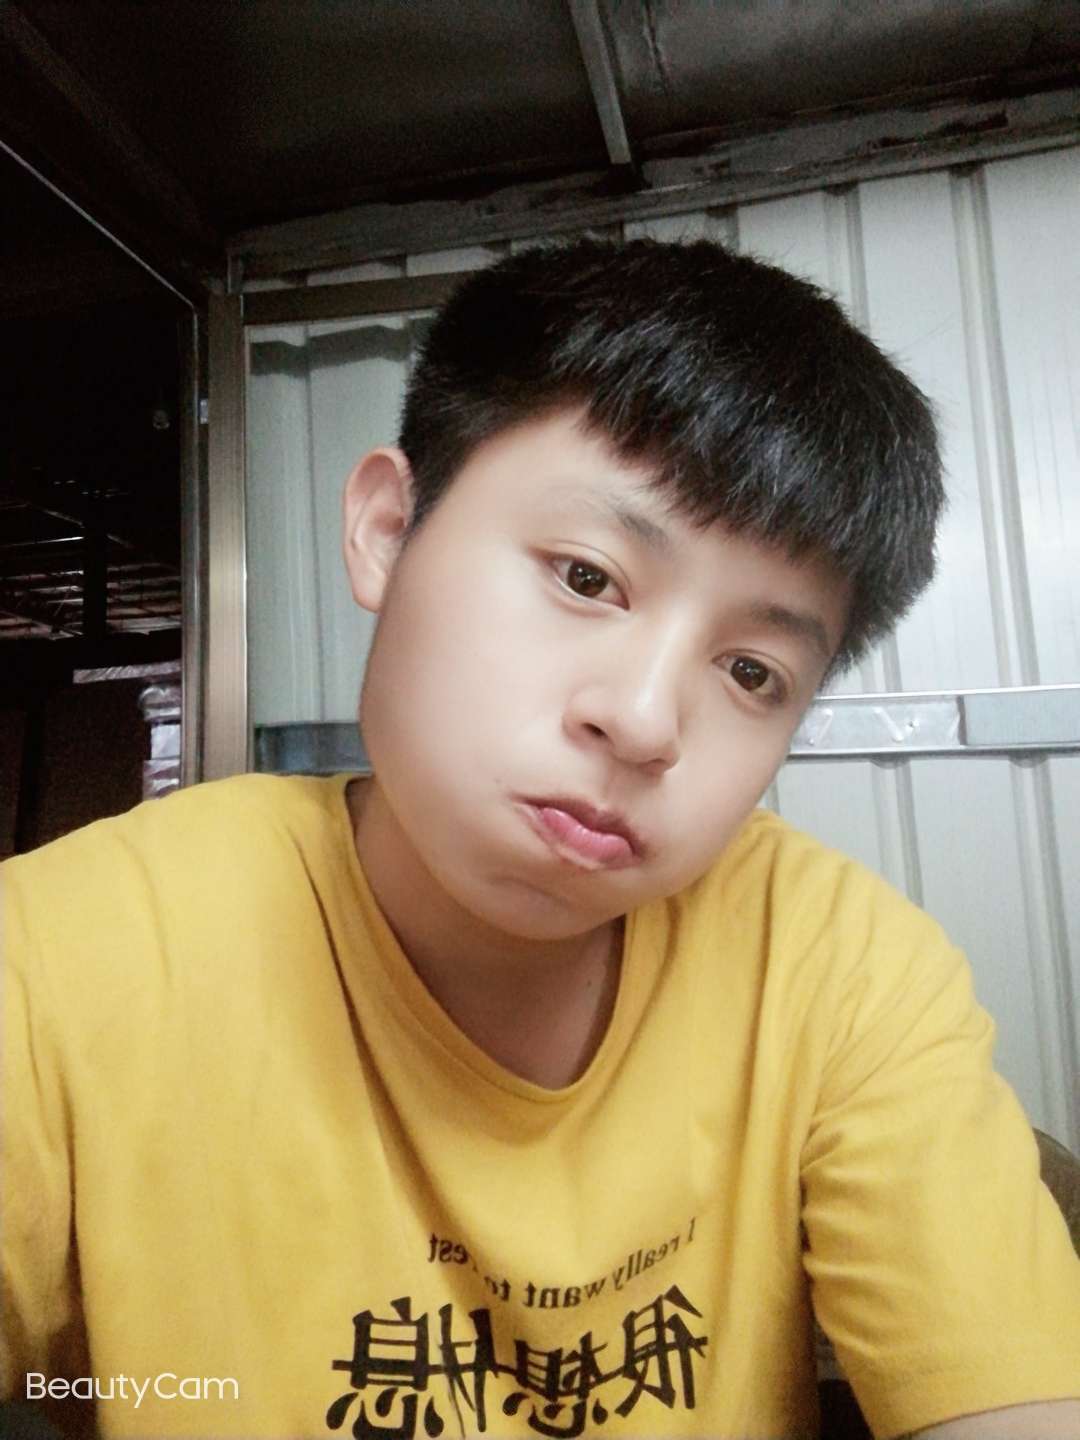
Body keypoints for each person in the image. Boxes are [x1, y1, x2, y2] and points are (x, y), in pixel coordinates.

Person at [2, 239, 1078, 1440]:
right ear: (386, 528)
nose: (646, 721)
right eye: (586, 577)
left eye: (750, 671)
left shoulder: (837, 968)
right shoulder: (65, 961)